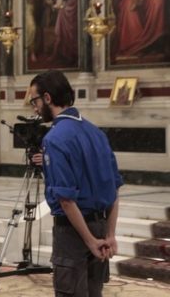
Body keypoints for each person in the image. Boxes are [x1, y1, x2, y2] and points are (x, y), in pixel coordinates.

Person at [28, 70, 123, 297]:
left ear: (48, 98)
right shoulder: (96, 133)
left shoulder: (55, 138)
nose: (34, 108)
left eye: (34, 101)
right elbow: (114, 189)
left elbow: (66, 200)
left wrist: (89, 241)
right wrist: (110, 234)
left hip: (73, 232)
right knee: (94, 292)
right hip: (101, 227)